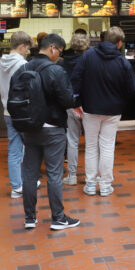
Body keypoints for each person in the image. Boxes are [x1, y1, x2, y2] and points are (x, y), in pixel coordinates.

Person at [13, 33, 80, 231]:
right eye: (59, 51)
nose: (59, 55)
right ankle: (58, 218)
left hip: (30, 128)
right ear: (52, 48)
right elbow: (68, 100)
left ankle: (30, 218)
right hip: (53, 129)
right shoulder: (56, 70)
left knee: (29, 174)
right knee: (54, 174)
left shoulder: (23, 68)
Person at [71, 26, 135, 197]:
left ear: (103, 39)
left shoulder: (87, 56)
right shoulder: (123, 61)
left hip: (90, 108)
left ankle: (91, 184)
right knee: (107, 147)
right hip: (113, 110)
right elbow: (132, 88)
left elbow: (75, 79)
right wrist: (121, 100)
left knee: (91, 146)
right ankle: (106, 185)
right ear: (119, 42)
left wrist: (77, 101)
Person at [0, 31, 34, 198]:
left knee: (14, 149)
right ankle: (27, 181)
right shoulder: (23, 65)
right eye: (27, 49)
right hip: (23, 112)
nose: (27, 52)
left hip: (7, 111)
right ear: (22, 46)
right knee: (30, 148)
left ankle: (17, 185)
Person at [59, 32, 90, 186]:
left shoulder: (62, 62)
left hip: (70, 104)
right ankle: (92, 176)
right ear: (86, 45)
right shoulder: (90, 61)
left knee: (72, 141)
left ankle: (72, 175)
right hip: (89, 105)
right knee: (92, 142)